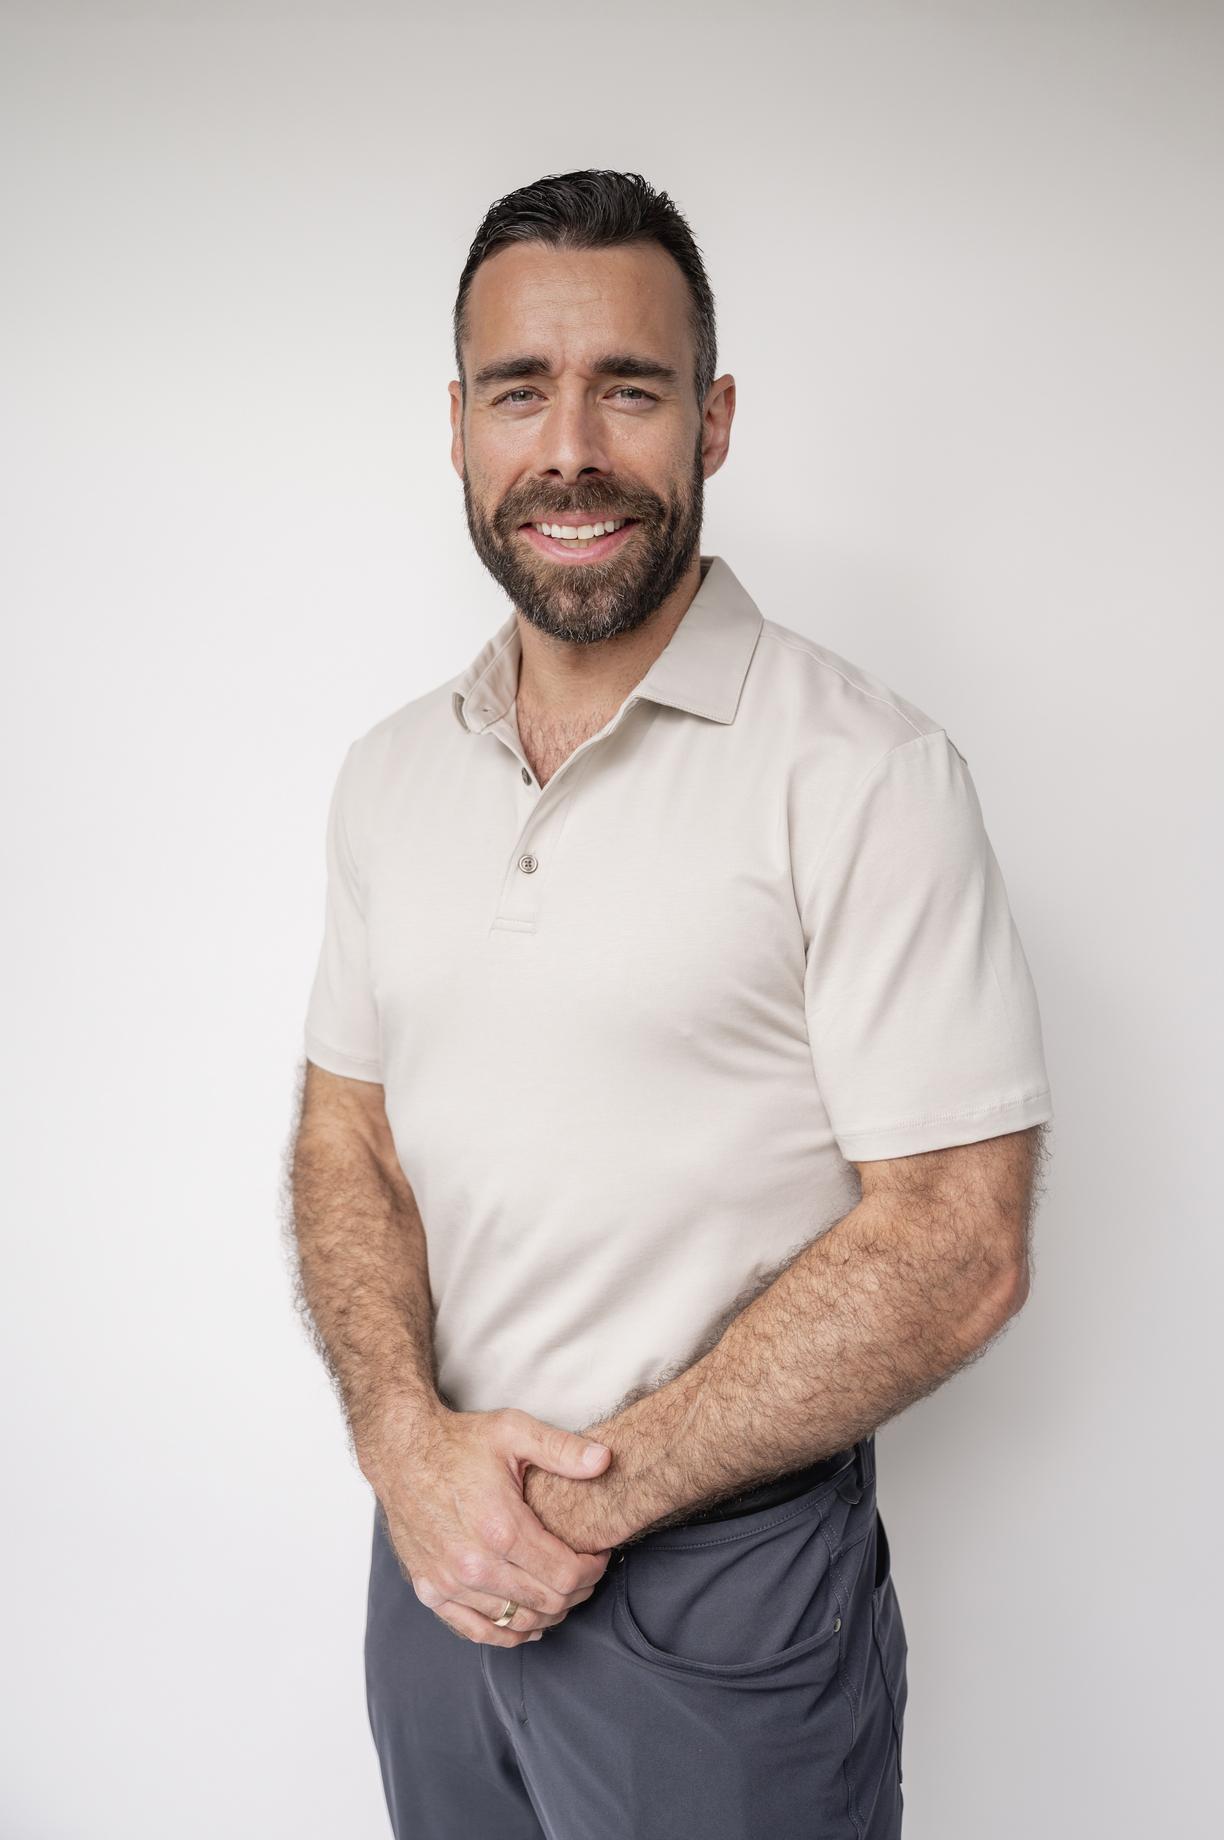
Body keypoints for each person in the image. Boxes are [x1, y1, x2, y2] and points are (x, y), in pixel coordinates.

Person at [289, 168, 1053, 1839]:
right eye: (520, 390)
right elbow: (351, 1135)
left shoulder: (865, 773)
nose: (569, 448)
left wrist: (575, 1502)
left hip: (726, 1598)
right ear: (458, 428)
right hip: (430, 1566)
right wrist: (411, 1456)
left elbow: (958, 1241)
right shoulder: (390, 778)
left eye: (626, 389)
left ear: (711, 423)